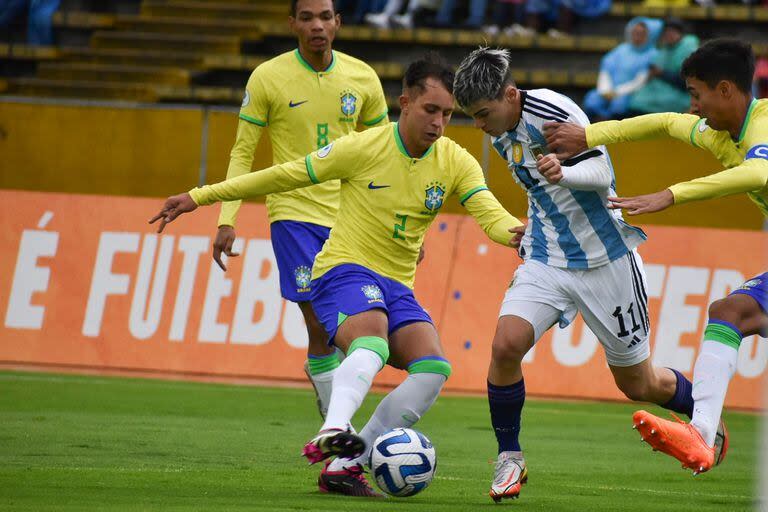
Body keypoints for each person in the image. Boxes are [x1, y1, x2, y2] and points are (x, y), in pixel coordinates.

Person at [150, 54, 525, 497]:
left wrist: (518, 235)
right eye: (430, 110)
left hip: (397, 284)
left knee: (433, 368)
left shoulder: (455, 161)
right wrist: (200, 197)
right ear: (405, 102)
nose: (439, 123)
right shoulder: (363, 148)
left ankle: (348, 462)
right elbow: (283, 175)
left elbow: (490, 214)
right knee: (372, 342)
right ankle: (333, 427)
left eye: (447, 114)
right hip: (342, 269)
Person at [453, 46, 709, 502]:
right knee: (505, 345)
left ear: (511, 94)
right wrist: (529, 224)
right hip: (548, 258)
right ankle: (509, 457)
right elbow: (538, 189)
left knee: (639, 385)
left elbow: (601, 170)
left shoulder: (553, 111)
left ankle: (706, 416)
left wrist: (563, 175)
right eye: (472, 115)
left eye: (482, 113)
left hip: (605, 259)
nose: (478, 124)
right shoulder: (498, 130)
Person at [544, 38, 767, 475]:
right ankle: (702, 435)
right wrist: (588, 134)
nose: (693, 108)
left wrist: (670, 195)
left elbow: (760, 172)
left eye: (696, 94)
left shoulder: (763, 125)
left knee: (733, 311)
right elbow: (664, 124)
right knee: (730, 311)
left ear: (725, 90)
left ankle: (702, 432)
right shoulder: (721, 133)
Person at [214, 0, 388, 421]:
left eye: (325, 17)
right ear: (292, 23)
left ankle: (330, 398)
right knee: (320, 321)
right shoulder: (268, 78)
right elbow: (243, 153)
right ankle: (338, 429)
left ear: (338, 23)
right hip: (293, 214)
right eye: (307, 17)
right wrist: (227, 218)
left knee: (349, 328)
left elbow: (385, 160)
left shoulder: (362, 78)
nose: (317, 25)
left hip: (350, 218)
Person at [583, 17, 662, 121]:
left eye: (642, 34)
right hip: (610, 90)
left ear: (651, 35)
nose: (637, 37)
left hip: (632, 93)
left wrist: (618, 92)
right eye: (635, 32)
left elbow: (640, 81)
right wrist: (605, 90)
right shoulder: (621, 50)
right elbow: (606, 70)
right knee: (593, 100)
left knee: (619, 106)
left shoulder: (653, 55)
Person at [629, 17, 699, 115]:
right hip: (657, 91)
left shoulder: (688, 48)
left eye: (672, 32)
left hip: (679, 93)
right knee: (636, 102)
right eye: (666, 32)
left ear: (680, 33)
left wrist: (661, 73)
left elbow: (687, 81)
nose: (669, 35)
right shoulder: (664, 49)